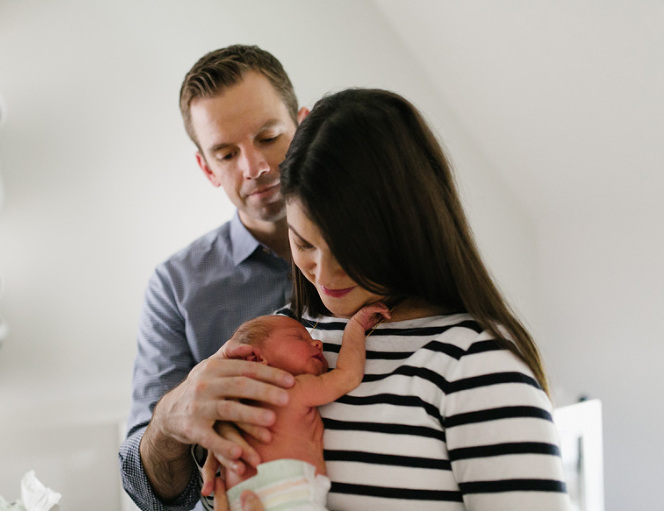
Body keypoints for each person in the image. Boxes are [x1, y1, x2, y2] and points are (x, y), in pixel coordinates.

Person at [211, 88, 571, 510]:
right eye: (304, 243)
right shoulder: (285, 338)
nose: (323, 276)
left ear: (405, 231)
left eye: (349, 251)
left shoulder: (476, 370)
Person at [118, 45, 308, 511]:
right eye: (226, 153)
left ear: (304, 127)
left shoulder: (377, 243)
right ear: (206, 167)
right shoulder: (175, 286)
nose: (255, 168)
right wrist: (170, 419)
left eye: (268, 136)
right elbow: (150, 495)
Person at [202, 303, 389, 510]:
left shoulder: (231, 404)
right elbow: (348, 375)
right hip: (288, 495)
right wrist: (355, 327)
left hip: (237, 500)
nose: (318, 343)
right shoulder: (292, 388)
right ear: (255, 358)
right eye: (300, 338)